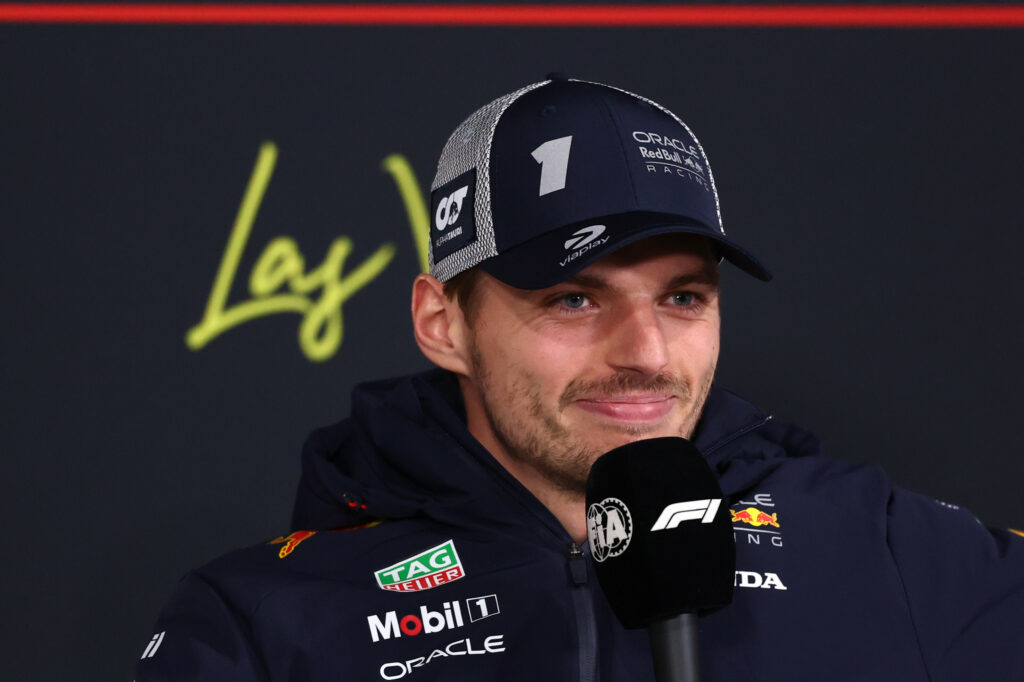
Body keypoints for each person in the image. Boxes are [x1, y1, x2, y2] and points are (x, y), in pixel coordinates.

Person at [134, 76, 1024, 681]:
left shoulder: (890, 548)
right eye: (571, 299)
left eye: (682, 296)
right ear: (443, 324)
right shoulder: (264, 620)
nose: (644, 351)